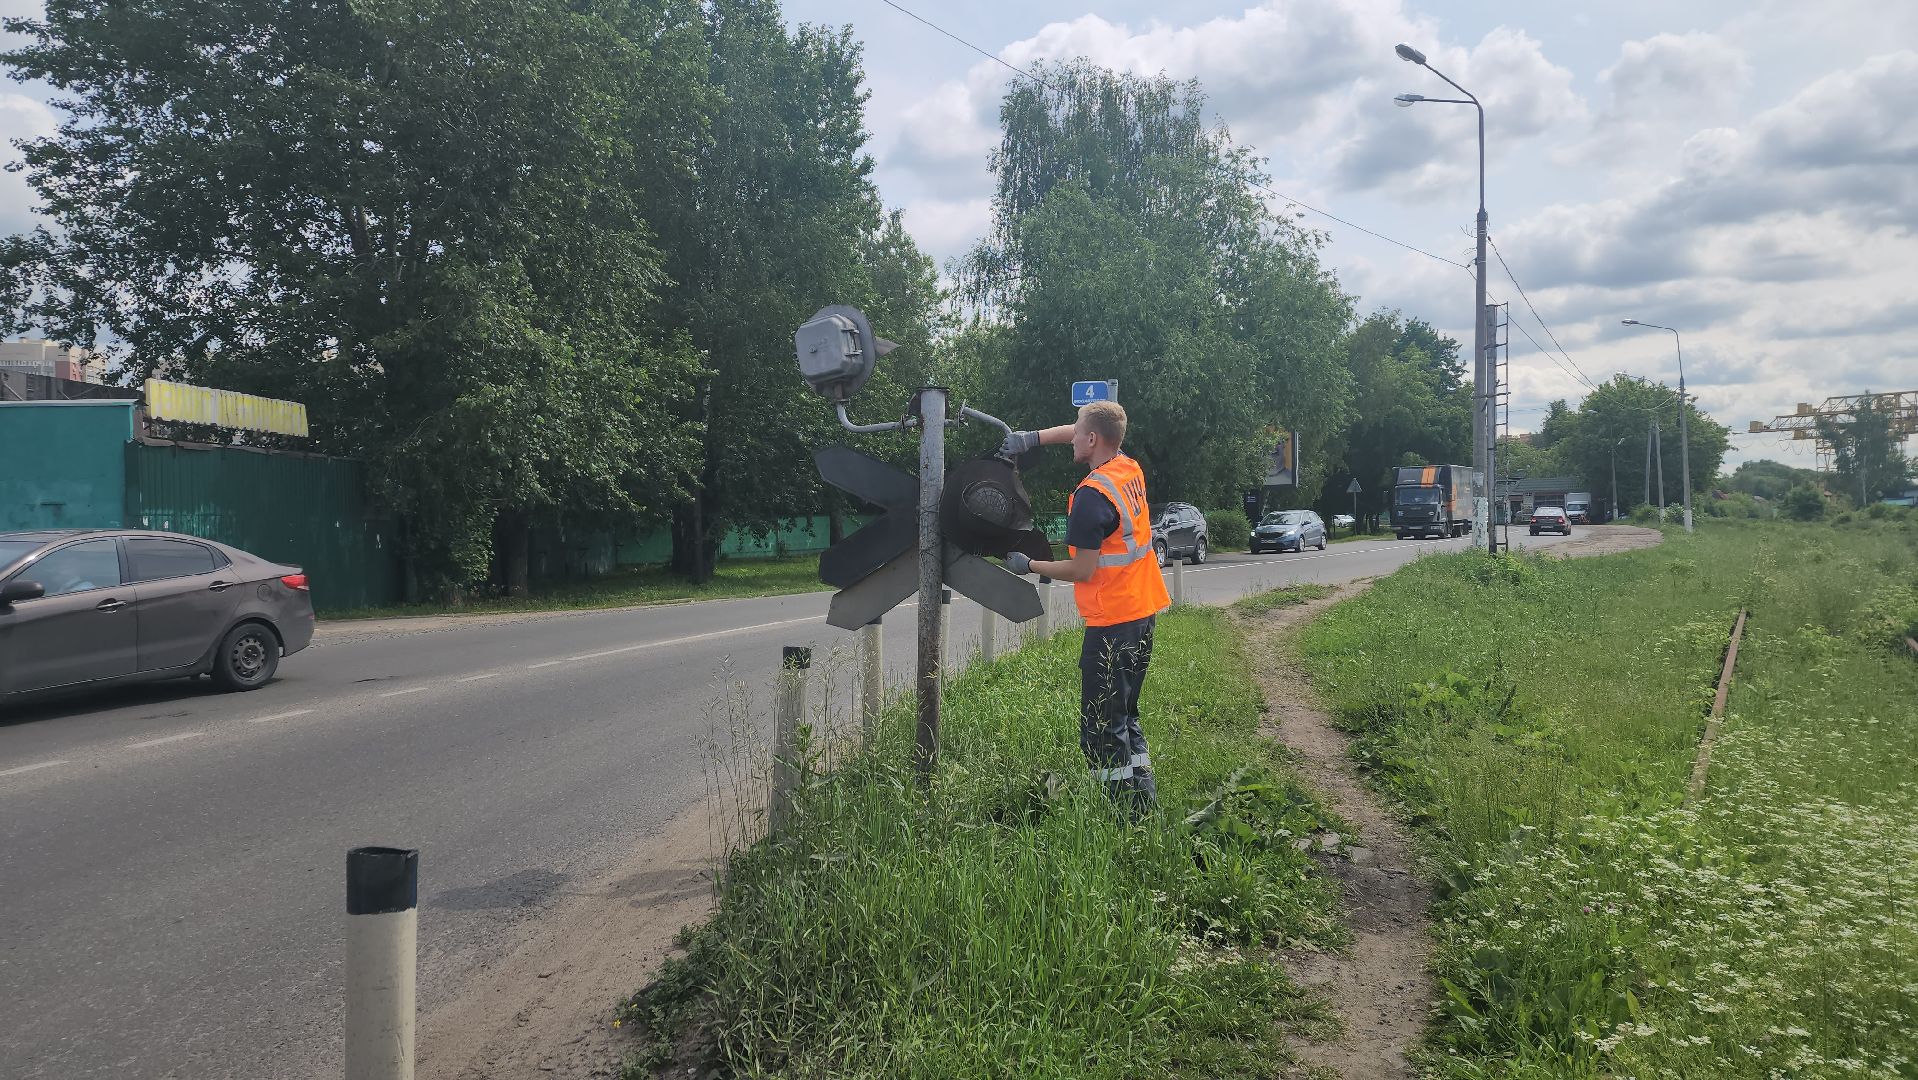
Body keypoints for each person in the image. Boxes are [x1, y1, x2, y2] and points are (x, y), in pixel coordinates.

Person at [998, 401, 1170, 813]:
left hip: (1112, 623)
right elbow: (1083, 430)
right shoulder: (1127, 469)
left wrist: (1030, 565)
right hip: (1142, 612)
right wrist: (1031, 438)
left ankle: (1123, 818)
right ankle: (1144, 803)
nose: (1070, 437)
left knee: (1101, 730)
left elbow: (1082, 568)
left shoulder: (1091, 499)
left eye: (1077, 433)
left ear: (1092, 440)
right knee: (1126, 716)